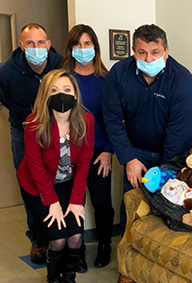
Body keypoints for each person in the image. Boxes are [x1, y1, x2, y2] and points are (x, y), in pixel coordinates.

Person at [103, 24, 192, 234]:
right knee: (133, 206)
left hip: (173, 153)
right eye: (142, 53)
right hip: (136, 151)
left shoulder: (183, 81)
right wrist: (129, 158)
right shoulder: (119, 74)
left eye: (155, 52)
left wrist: (165, 172)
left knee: (165, 208)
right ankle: (127, 252)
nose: (148, 59)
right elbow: (112, 120)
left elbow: (178, 132)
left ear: (166, 51)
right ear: (133, 52)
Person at [17, 69, 94, 283]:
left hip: (68, 183)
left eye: (67, 89)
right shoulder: (35, 122)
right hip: (37, 184)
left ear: (76, 95)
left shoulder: (86, 121)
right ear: (45, 95)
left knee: (76, 236)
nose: (62, 94)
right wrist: (50, 201)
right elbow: (35, 165)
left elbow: (84, 162)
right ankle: (53, 279)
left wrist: (77, 199)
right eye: (54, 90)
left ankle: (69, 278)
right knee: (58, 239)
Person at [0, 23, 63, 263]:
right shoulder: (7, 71)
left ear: (48, 44)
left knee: (57, 180)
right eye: (30, 43)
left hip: (56, 129)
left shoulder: (61, 65)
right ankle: (37, 239)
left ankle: (58, 235)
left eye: (40, 43)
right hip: (22, 129)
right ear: (21, 45)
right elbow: (5, 97)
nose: (36, 47)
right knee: (29, 182)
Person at [61, 24, 114, 269]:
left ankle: (104, 245)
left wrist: (108, 152)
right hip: (69, 152)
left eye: (87, 43)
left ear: (95, 46)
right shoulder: (62, 79)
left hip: (99, 151)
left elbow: (116, 119)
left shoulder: (107, 79)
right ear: (70, 49)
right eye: (77, 44)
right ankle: (77, 250)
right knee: (73, 201)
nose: (82, 49)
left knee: (102, 202)